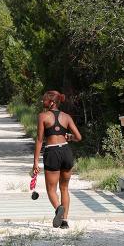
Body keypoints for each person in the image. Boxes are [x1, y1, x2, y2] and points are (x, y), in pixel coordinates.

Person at [32, 90, 82, 229]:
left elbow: (40, 139)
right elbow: (78, 137)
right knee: (64, 188)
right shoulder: (66, 117)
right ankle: (64, 222)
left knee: (51, 189)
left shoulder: (43, 116)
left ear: (52, 102)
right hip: (66, 151)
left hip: (52, 152)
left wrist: (35, 161)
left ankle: (58, 208)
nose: (43, 102)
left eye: (45, 100)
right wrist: (69, 137)